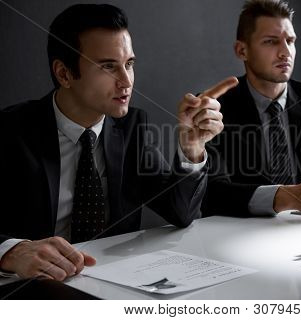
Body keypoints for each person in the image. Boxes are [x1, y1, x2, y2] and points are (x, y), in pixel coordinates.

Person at [0, 4, 236, 281]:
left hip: (113, 286)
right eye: (108, 66)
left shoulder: (133, 127)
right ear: (64, 74)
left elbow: (182, 212)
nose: (126, 81)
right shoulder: (10, 130)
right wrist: (10, 251)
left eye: (129, 64)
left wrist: (193, 146)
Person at [202, 0, 301, 217]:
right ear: (242, 50)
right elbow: (211, 194)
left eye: (290, 40)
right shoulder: (215, 108)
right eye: (271, 42)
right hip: (237, 234)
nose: (286, 52)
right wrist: (287, 197)